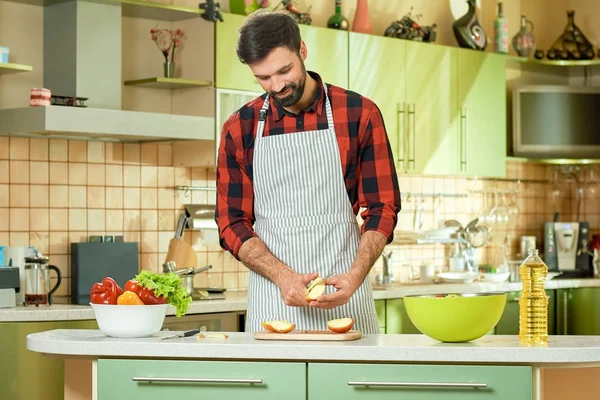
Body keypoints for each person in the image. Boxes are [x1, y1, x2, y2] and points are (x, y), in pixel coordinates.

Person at [215, 10, 401, 333]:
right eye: (263, 77)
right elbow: (230, 222)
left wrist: (356, 274)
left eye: (284, 70)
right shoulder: (239, 128)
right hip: (273, 302)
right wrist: (282, 276)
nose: (277, 86)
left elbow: (382, 208)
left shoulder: (359, 115)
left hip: (347, 297)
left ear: (302, 51)